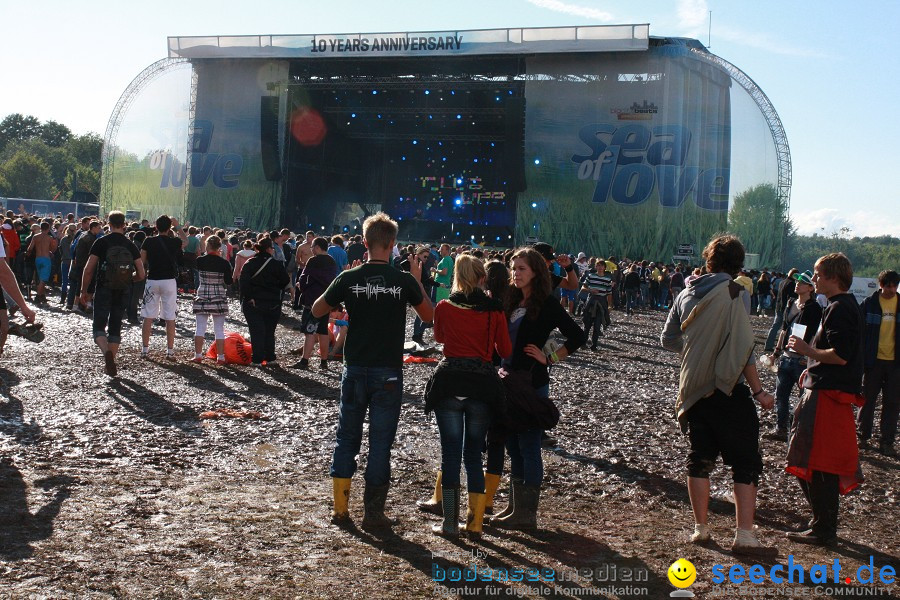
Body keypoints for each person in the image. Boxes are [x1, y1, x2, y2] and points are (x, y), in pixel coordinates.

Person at [312, 212, 433, 530]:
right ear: (392, 244)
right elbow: (429, 316)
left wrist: (343, 292)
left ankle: (340, 510)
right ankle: (374, 514)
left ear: (364, 243)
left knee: (346, 439)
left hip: (354, 370)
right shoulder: (403, 281)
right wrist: (417, 280)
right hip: (389, 374)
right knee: (380, 444)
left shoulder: (349, 278)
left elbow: (316, 310)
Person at [660, 234, 778, 557]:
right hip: (729, 388)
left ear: (709, 258)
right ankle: (744, 535)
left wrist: (697, 349)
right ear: (739, 263)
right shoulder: (736, 293)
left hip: (693, 387)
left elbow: (667, 339)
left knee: (699, 459)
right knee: (745, 461)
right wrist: (759, 392)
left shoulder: (685, 292)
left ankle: (700, 528)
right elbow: (744, 348)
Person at [490, 248, 585, 531]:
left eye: (522, 269)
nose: (516, 273)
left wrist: (551, 357)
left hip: (531, 382)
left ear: (535, 273)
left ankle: (527, 513)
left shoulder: (546, 304)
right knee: (512, 444)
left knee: (529, 445)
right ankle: (514, 507)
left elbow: (577, 335)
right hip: (506, 378)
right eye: (514, 268)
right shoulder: (510, 298)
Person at [424, 254, 512, 537]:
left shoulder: (445, 306)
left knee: (450, 456)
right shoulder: (494, 309)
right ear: (482, 277)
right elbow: (506, 350)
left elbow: (439, 338)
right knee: (473, 455)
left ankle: (449, 522)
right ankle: (474, 523)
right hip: (481, 385)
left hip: (450, 381)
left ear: (456, 277)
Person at [785, 253, 865, 546]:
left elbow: (841, 356)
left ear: (833, 277)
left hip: (828, 396)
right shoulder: (842, 305)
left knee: (816, 460)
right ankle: (822, 523)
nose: (813, 279)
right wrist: (810, 370)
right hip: (826, 390)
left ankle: (824, 527)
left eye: (818, 274)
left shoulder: (839, 308)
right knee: (816, 460)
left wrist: (808, 352)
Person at [80, 211, 146, 376]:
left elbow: (88, 269)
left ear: (108, 224)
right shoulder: (130, 245)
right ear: (124, 224)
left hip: (103, 287)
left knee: (99, 326)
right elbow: (141, 273)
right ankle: (112, 361)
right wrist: (130, 279)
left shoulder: (101, 242)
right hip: (123, 289)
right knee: (116, 326)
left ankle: (105, 352)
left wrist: (84, 291)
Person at [770, 270, 822, 440]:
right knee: (780, 395)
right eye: (797, 281)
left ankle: (797, 430)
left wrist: (809, 357)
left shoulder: (814, 308)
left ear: (810, 288)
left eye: (802, 282)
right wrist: (776, 353)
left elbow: (814, 335)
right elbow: (784, 330)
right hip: (786, 356)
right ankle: (781, 428)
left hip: (801, 359)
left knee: (802, 398)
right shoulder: (790, 302)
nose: (797, 284)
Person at [857, 269, 899, 456]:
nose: (891, 289)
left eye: (895, 285)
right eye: (888, 285)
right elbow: (858, 332)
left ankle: (887, 441)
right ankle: (863, 436)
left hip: (895, 363)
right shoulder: (869, 304)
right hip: (873, 361)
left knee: (892, 403)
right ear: (880, 284)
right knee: (867, 400)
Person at [140, 215, 186, 360]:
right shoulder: (175, 242)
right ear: (169, 227)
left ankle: (145, 350)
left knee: (148, 316)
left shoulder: (148, 241)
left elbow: (142, 261)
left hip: (153, 279)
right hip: (169, 280)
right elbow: (186, 240)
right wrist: (178, 226)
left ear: (156, 226)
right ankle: (170, 351)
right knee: (170, 317)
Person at [240, 237, 289, 367]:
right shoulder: (276, 264)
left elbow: (243, 282)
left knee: (256, 331)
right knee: (269, 331)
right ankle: (270, 357)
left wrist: (249, 297)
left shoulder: (250, 263)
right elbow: (285, 281)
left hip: (253, 302)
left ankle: (257, 359)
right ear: (268, 249)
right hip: (273, 302)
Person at [291, 236, 337, 370]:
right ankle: (324, 362)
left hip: (312, 300)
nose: (312, 250)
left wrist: (301, 286)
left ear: (317, 247)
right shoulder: (331, 262)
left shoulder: (313, 261)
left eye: (312, 247)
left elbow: (304, 278)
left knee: (309, 331)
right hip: (326, 300)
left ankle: (305, 361)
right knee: (323, 331)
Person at [192, 235, 233, 363]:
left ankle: (198, 355)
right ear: (219, 247)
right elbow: (228, 281)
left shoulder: (200, 260)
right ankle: (220, 357)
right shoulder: (224, 263)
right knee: (219, 329)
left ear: (208, 246)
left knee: (200, 327)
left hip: (203, 293)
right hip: (218, 294)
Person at [67, 221, 101, 312]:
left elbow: (74, 248)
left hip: (80, 263)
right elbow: (93, 253)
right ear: (93, 227)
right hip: (86, 264)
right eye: (98, 227)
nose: (100, 229)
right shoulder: (90, 238)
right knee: (86, 284)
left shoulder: (83, 235)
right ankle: (83, 304)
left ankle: (81, 305)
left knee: (81, 284)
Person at [580, 259, 612, 351]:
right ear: (596, 267)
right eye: (598, 265)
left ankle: (594, 345)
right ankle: (583, 343)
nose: (600, 267)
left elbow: (609, 293)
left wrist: (610, 305)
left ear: (605, 267)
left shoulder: (607, 279)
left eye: (602, 266)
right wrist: (590, 290)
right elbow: (583, 287)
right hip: (591, 302)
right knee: (587, 324)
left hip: (601, 303)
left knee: (597, 325)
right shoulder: (591, 276)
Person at [765, 268, 798, 352]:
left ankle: (768, 345)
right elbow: (791, 298)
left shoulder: (782, 282)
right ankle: (784, 346)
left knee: (775, 327)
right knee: (786, 329)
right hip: (785, 308)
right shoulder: (792, 284)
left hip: (778, 307)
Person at [25, 222, 58, 305]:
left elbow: (30, 248)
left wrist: (27, 255)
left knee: (40, 279)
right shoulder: (49, 238)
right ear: (48, 228)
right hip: (46, 259)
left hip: (38, 259)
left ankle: (42, 296)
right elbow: (53, 249)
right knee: (43, 280)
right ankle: (38, 296)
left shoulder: (35, 237)